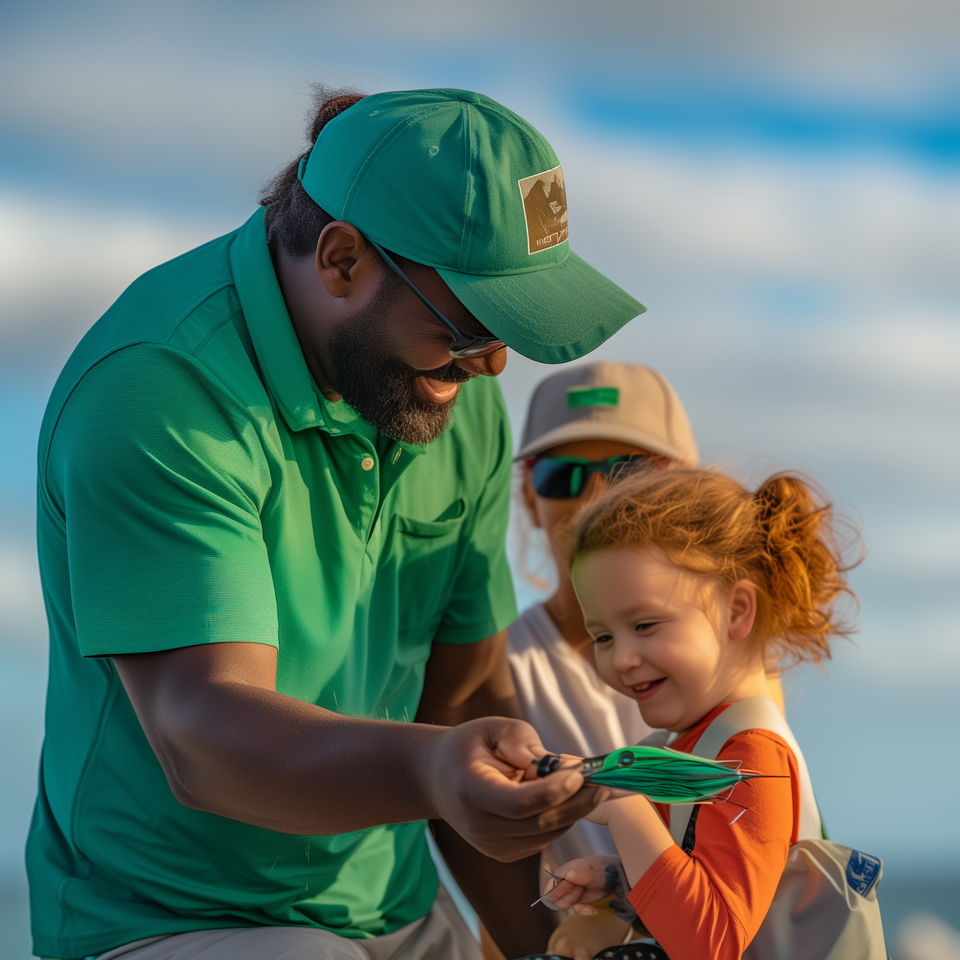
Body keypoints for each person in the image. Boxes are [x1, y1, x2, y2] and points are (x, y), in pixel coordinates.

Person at [26, 87, 647, 960]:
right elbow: (201, 735)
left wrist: (547, 945)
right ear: (342, 260)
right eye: (470, 326)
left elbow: (460, 692)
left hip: (390, 904)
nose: (494, 364)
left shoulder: (446, 393)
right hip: (173, 918)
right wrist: (434, 770)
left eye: (509, 328)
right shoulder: (160, 391)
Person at [539, 466, 858, 960]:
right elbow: (702, 883)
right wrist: (617, 890)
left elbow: (713, 940)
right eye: (602, 637)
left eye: (645, 625)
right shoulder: (696, 747)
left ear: (736, 611)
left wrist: (624, 804)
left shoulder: (750, 755)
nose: (621, 658)